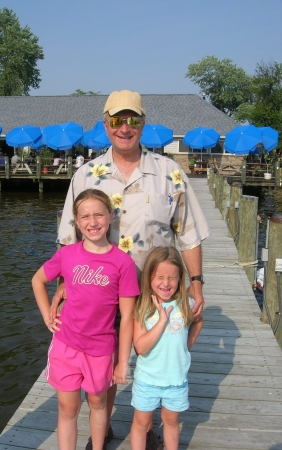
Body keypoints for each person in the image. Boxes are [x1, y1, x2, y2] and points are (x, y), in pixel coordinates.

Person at [51, 89, 210, 450]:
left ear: (143, 123)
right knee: (103, 356)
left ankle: (148, 423)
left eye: (133, 120)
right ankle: (102, 425)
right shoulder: (86, 173)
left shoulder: (169, 171)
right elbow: (67, 238)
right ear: (105, 124)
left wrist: (196, 284)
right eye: (117, 120)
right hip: (98, 291)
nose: (125, 127)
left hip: (156, 289)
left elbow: (189, 233)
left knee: (152, 355)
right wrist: (62, 286)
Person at [32, 189, 139, 450]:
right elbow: (38, 280)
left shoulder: (123, 263)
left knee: (98, 403)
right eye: (85, 216)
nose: (93, 222)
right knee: (68, 408)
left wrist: (122, 362)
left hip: (101, 350)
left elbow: (127, 317)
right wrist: (48, 314)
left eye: (99, 214)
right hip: (66, 345)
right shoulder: (67, 254)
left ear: (110, 217)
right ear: (77, 222)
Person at [130, 246, 203, 450]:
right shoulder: (142, 308)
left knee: (171, 421)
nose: (166, 283)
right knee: (141, 423)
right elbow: (141, 347)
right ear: (149, 277)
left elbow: (198, 321)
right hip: (147, 380)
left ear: (180, 278)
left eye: (172, 278)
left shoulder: (186, 304)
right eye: (159, 277)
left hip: (176, 380)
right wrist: (162, 321)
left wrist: (184, 347)